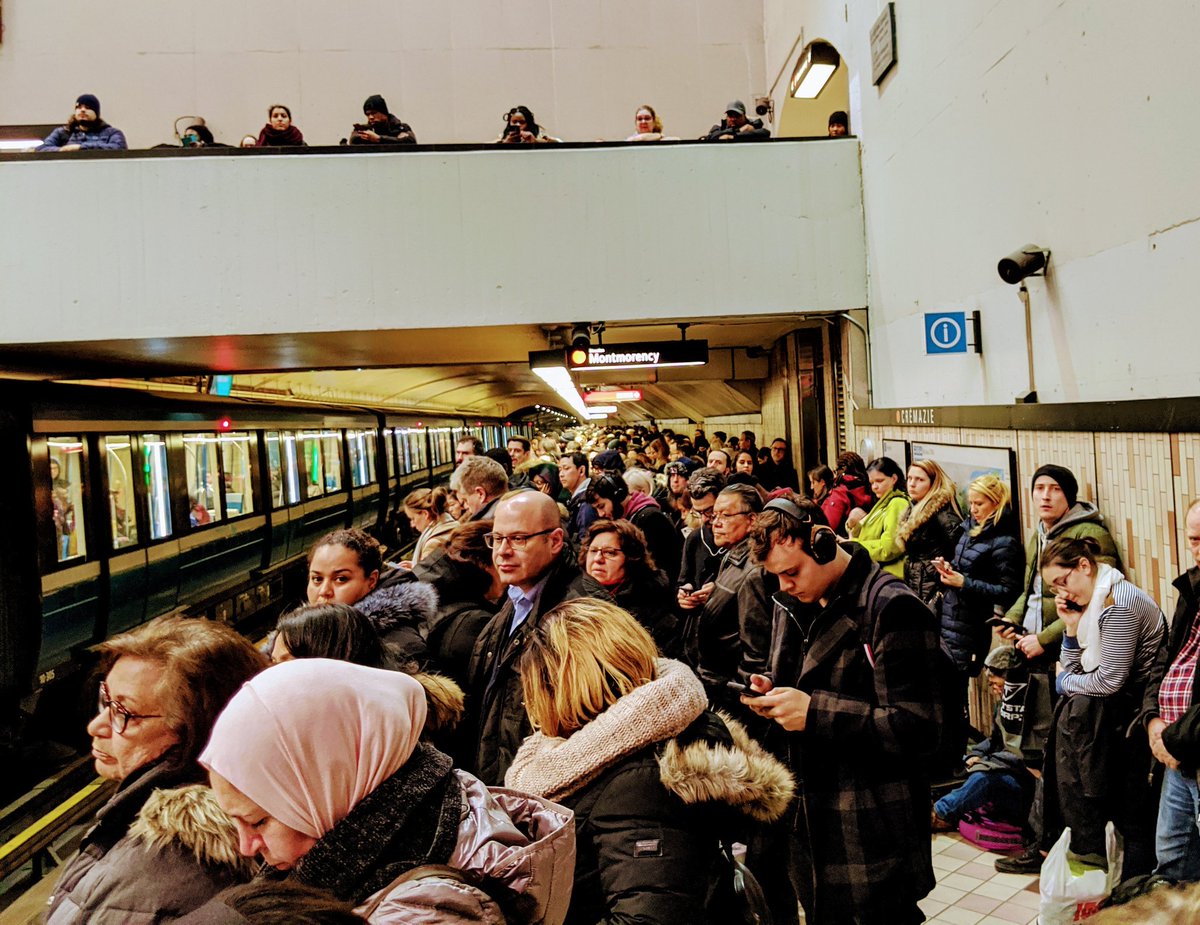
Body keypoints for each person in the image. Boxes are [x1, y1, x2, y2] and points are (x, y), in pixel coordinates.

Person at [200, 659, 574, 924]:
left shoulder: (427, 911)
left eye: (258, 821)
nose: (245, 846)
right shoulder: (427, 806)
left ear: (327, 787)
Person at [506, 599, 794, 925]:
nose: (527, 701)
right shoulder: (622, 757)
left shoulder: (637, 784)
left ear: (563, 688)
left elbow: (649, 918)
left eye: (534, 687)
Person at [743, 497, 941, 925]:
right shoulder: (792, 603)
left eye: (792, 572)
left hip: (871, 826)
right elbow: (799, 682)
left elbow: (919, 727)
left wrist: (814, 713)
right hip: (807, 822)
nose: (783, 585)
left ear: (823, 545)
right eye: (775, 576)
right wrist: (772, 694)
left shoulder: (892, 607)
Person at [45, 616, 266, 924]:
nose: (96, 726)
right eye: (105, 701)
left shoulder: (162, 865)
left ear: (194, 733)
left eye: (125, 713)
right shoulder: (133, 823)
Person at [994, 463, 1124, 874]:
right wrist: (1012, 621)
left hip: (1063, 654)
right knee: (1031, 746)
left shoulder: (1090, 536)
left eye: (1054, 489)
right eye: (1038, 488)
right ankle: (1043, 839)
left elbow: (1089, 601)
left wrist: (1045, 639)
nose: (1045, 495)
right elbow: (1031, 589)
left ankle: (1050, 845)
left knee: (1052, 753)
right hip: (1033, 649)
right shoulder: (1041, 533)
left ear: (1069, 495)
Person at [1038, 535, 1165, 875]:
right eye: (1054, 589)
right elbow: (1079, 668)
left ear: (1084, 566)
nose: (1062, 594)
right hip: (1111, 715)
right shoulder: (1093, 606)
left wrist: (1064, 682)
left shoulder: (1119, 603)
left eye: (1063, 582)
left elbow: (1108, 681)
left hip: (1135, 715)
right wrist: (1068, 630)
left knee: (1132, 817)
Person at [467, 491, 610, 784]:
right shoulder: (517, 596)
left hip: (542, 794)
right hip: (506, 786)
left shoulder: (582, 614)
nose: (502, 551)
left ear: (555, 541)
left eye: (518, 539)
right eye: (496, 538)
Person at [931, 474, 1024, 771]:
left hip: (970, 627)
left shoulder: (1004, 542)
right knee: (944, 690)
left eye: (979, 503)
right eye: (971, 502)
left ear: (995, 504)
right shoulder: (969, 530)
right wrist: (949, 572)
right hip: (950, 617)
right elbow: (963, 571)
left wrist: (964, 582)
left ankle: (951, 762)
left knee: (954, 695)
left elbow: (1008, 590)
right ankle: (945, 757)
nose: (973, 508)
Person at [1142, 499, 1200, 882]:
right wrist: (1151, 719)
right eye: (1195, 539)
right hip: (1176, 752)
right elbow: (1165, 658)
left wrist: (1172, 739)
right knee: (1172, 858)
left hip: (1188, 746)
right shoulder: (1192, 587)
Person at [932, 645, 1036, 831]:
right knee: (965, 764)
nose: (995, 690)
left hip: (1025, 778)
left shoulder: (1034, 706)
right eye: (992, 685)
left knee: (984, 778)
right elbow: (995, 740)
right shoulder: (1002, 707)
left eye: (999, 684)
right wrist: (976, 754)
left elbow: (1025, 755)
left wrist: (987, 762)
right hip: (1004, 766)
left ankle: (939, 814)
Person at [681, 484, 766, 708]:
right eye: (714, 515)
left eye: (726, 515)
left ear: (753, 519)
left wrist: (740, 693)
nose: (715, 522)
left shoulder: (754, 570)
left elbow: (756, 653)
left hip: (729, 692)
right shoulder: (734, 556)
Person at [306, 528, 437, 664]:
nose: (323, 591)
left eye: (341, 579)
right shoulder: (302, 635)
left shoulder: (403, 649)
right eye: (317, 579)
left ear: (371, 580)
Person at [580, 519, 675, 645]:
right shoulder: (570, 594)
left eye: (609, 553)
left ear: (631, 558)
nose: (598, 559)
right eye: (592, 551)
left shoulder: (652, 607)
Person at [586, 471, 681, 585]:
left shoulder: (650, 518)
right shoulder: (630, 518)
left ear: (618, 496)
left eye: (602, 506)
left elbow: (663, 568)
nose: (601, 514)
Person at [898, 458, 962, 607]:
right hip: (917, 582)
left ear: (933, 483)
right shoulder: (914, 507)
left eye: (920, 479)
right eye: (910, 478)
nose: (912, 484)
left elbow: (958, 550)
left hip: (934, 587)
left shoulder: (942, 513)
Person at [676, 467, 727, 623]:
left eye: (710, 511)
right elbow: (684, 580)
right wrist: (684, 595)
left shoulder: (741, 536)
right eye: (698, 512)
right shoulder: (695, 538)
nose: (705, 519)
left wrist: (719, 593)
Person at [846, 456, 909, 577]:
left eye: (879, 481)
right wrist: (854, 525)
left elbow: (890, 547)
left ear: (894, 478)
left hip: (890, 576)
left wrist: (855, 545)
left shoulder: (897, 503)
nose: (874, 486)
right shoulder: (884, 502)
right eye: (871, 483)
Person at [37, 94, 127, 152]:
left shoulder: (111, 133)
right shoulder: (62, 133)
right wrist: (62, 150)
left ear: (96, 113)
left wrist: (81, 148)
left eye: (88, 107)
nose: (83, 110)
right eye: (79, 107)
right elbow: (42, 149)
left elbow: (119, 148)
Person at [821, 451, 873, 535]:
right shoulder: (870, 486)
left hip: (843, 542)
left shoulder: (840, 492)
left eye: (836, 470)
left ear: (843, 469)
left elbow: (828, 525)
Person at [402, 486, 456, 565]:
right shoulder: (452, 525)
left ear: (425, 514)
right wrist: (416, 566)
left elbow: (427, 576)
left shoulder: (433, 544)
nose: (412, 524)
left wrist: (416, 570)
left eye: (413, 518)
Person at [449, 455, 509, 521]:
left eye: (465, 500)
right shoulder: (518, 507)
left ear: (480, 494)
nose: (466, 507)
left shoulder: (484, 528)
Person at [558, 451, 597, 543]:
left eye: (566, 468)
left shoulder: (586, 503)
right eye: (560, 469)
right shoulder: (580, 498)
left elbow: (585, 542)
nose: (561, 474)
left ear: (581, 471)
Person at [349, 94, 415, 145]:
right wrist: (395, 140)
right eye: (368, 114)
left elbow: (411, 142)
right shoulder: (363, 129)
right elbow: (354, 140)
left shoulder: (401, 128)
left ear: (384, 113)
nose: (370, 117)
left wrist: (379, 139)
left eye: (374, 113)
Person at [701, 100, 770, 141]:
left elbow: (765, 133)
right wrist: (739, 130)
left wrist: (733, 137)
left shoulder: (753, 124)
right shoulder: (719, 126)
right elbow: (711, 137)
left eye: (737, 115)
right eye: (730, 115)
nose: (733, 119)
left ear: (744, 116)